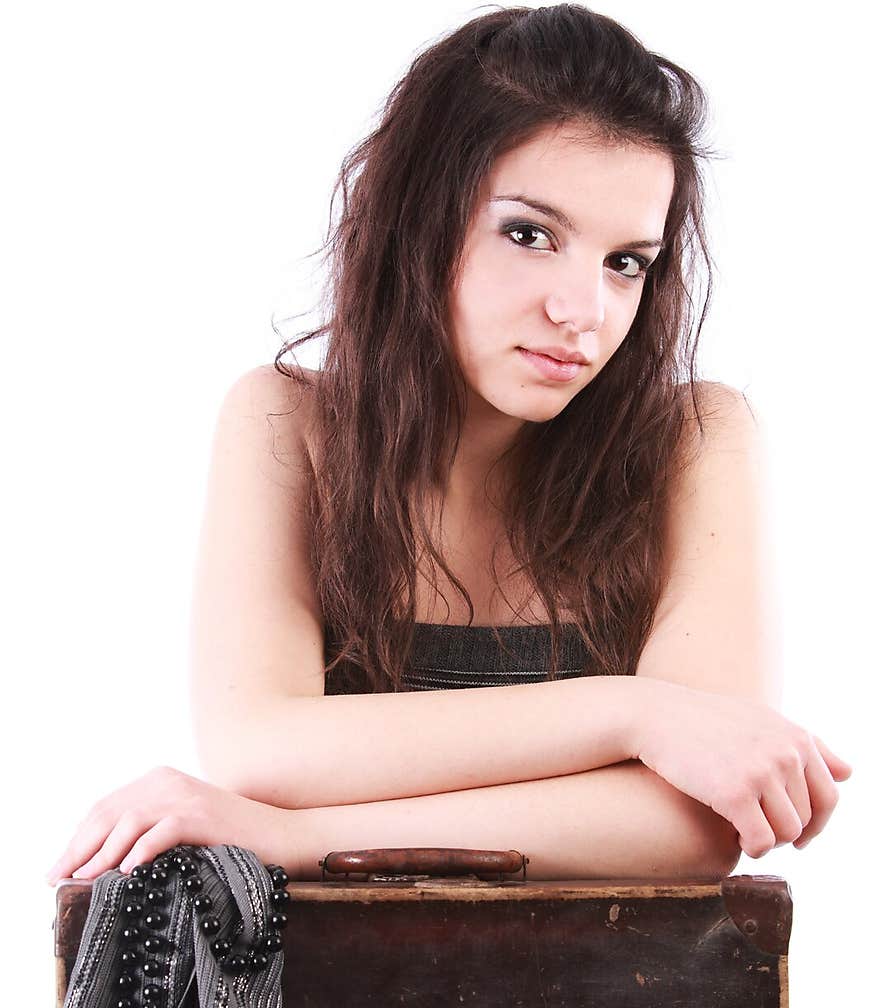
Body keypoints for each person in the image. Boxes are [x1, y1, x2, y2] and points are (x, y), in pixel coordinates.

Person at [46, 2, 852, 890]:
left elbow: (693, 825)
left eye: (626, 261)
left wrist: (280, 836)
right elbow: (261, 750)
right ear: (419, 219)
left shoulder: (693, 441)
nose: (583, 312)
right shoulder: (288, 423)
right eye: (530, 235)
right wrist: (638, 715)